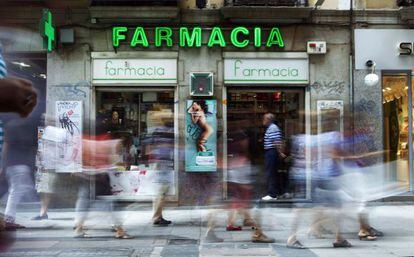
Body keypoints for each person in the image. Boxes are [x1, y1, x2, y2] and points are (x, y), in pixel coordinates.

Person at [261, 113, 285, 201]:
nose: (263, 120)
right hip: (271, 152)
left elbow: (276, 142)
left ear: (269, 119)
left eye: (264, 118)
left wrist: (280, 153)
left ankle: (272, 194)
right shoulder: (271, 127)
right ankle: (277, 192)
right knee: (272, 172)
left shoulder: (273, 128)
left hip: (272, 152)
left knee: (271, 173)